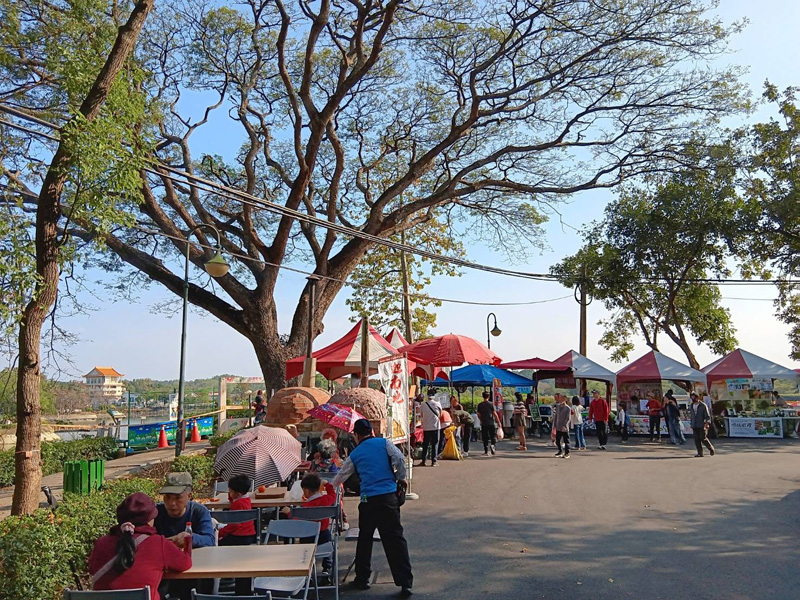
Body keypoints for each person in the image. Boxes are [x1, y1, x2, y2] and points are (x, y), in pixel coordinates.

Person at [332, 419, 413, 596]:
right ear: (372, 432)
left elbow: (342, 476)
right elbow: (399, 458)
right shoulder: (384, 443)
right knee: (395, 539)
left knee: (365, 539)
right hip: (389, 497)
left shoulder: (355, 453)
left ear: (357, 435)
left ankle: (362, 579)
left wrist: (329, 487)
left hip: (368, 500)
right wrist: (401, 477)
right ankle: (405, 581)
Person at [89, 492, 191, 599]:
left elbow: (92, 569)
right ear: (150, 519)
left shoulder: (101, 543)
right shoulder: (158, 543)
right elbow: (185, 563)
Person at [282, 473, 337, 573]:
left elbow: (298, 521)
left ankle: (308, 570)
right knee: (329, 545)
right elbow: (333, 495)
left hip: (308, 536)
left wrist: (289, 513)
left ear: (306, 491)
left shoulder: (306, 507)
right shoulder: (326, 500)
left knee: (305, 551)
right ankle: (327, 567)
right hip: (323, 534)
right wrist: (327, 485)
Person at [154, 472, 215, 549]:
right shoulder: (154, 512)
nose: (172, 503)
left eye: (177, 498)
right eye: (167, 497)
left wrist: (190, 538)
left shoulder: (199, 511)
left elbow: (210, 540)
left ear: (189, 496)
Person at [218, 474, 257, 546]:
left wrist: (220, 533)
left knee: (219, 543)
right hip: (250, 534)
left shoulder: (237, 504)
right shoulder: (246, 499)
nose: (229, 493)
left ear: (238, 494)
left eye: (230, 491)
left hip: (239, 535)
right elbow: (233, 498)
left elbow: (235, 525)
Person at [416, 390, 442, 467]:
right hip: (435, 427)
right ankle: (434, 461)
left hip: (426, 427)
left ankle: (423, 461)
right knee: (435, 444)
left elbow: (421, 415)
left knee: (425, 444)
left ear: (427, 396)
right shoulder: (437, 404)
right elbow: (440, 415)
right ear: (434, 396)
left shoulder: (423, 405)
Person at [690, 393, 715, 457]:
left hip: (702, 424)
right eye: (692, 397)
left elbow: (707, 415)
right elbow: (692, 415)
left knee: (703, 438)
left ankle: (711, 448)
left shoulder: (703, 405)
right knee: (696, 439)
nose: (693, 399)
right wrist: (691, 423)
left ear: (697, 398)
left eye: (694, 398)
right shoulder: (691, 406)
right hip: (694, 424)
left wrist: (707, 423)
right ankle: (700, 453)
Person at [477, 391, 501, 455]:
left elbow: (478, 414)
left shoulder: (480, 405)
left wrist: (481, 420)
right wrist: (498, 422)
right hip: (491, 422)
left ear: (482, 396)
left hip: (484, 422)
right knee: (493, 435)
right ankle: (493, 445)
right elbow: (494, 413)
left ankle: (486, 451)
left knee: (485, 437)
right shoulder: (491, 404)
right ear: (489, 396)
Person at [552, 393, 571, 458]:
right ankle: (560, 451)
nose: (559, 399)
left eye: (560, 397)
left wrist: (564, 425)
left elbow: (568, 418)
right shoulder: (558, 406)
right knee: (557, 440)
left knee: (566, 441)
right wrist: (555, 424)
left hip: (564, 427)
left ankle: (567, 453)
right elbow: (556, 416)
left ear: (564, 398)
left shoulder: (567, 408)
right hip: (558, 426)